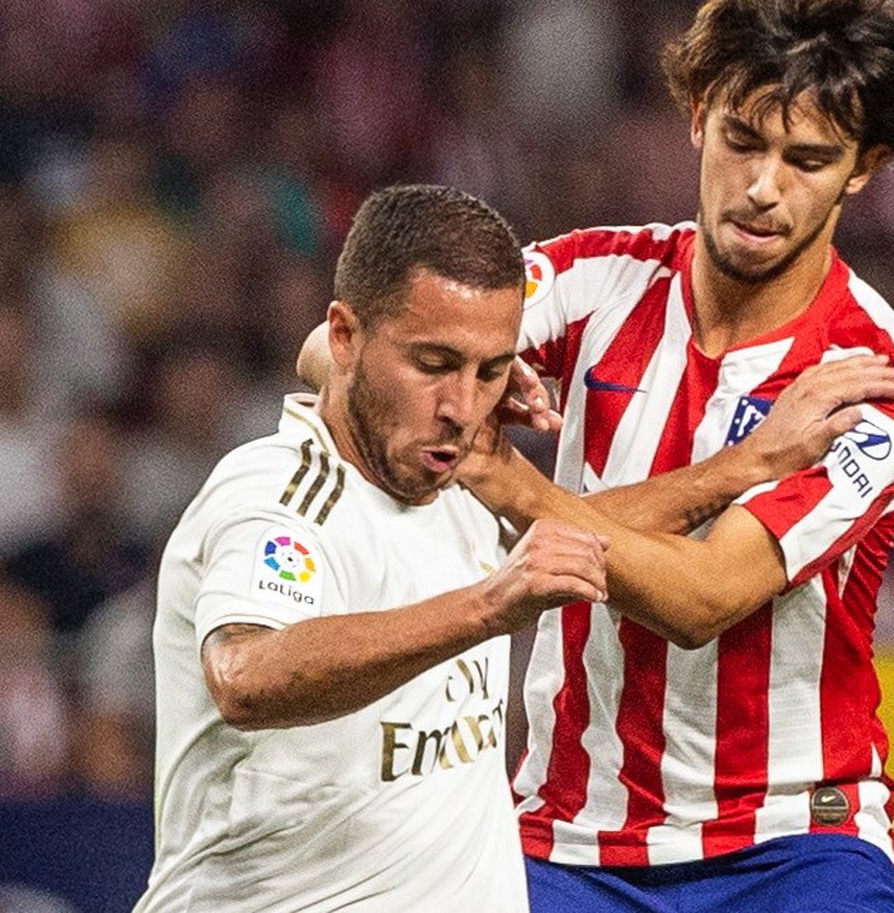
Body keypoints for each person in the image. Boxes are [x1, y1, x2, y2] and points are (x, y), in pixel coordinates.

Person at [299, 3, 894, 909]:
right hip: (567, 837)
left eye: (807, 161)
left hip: (793, 841)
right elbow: (337, 350)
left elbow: (702, 598)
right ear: (696, 117)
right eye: (742, 139)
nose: (763, 187)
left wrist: (498, 473)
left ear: (863, 170)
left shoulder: (879, 377)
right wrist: (458, 377)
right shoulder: (596, 275)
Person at [135, 184, 615, 913]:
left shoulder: (458, 485)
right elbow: (244, 674)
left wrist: (753, 466)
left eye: (489, 371)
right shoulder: (280, 494)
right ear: (345, 337)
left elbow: (601, 533)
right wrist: (487, 606)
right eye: (433, 363)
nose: (461, 405)